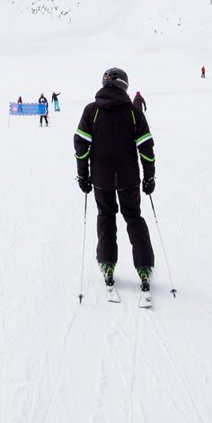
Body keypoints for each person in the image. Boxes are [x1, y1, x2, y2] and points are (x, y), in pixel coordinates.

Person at [74, 67, 156, 294]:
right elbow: (146, 147)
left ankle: (107, 263)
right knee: (133, 217)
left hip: (102, 178)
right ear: (124, 85)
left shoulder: (92, 111)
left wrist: (83, 174)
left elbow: (81, 146)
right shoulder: (133, 112)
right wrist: (149, 175)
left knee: (106, 216)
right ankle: (144, 266)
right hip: (129, 178)